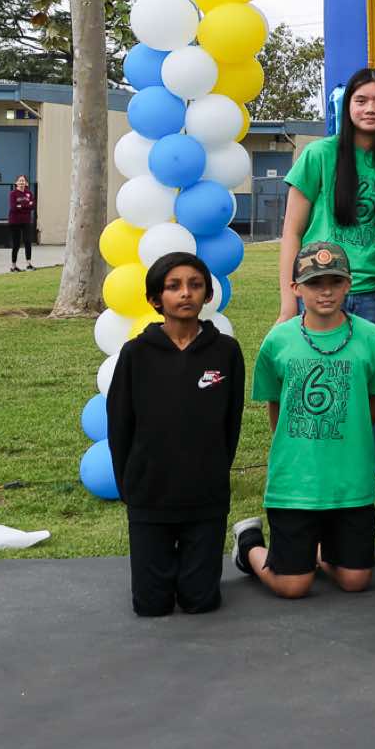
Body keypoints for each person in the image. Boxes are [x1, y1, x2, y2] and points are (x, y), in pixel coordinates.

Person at [234, 243, 375, 599]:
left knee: (356, 580)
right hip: (296, 482)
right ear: (296, 288)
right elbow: (276, 404)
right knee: (294, 586)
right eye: (314, 283)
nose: (326, 291)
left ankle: (316, 552)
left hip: (350, 480)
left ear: (349, 284)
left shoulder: (372, 338)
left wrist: (347, 429)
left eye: (335, 282)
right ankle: (248, 544)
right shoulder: (278, 341)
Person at [106, 253, 243, 618]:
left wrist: (214, 472)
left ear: (208, 295)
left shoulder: (226, 352)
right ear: (155, 298)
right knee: (151, 606)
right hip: (150, 498)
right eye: (174, 286)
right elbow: (119, 426)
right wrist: (131, 488)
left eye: (195, 285)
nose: (186, 293)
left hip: (205, 498)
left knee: (201, 602)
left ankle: (244, 545)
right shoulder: (135, 354)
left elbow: (231, 424)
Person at [279, 66, 375, 333]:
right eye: (361, 101)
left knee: (367, 360)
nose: (370, 109)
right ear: (348, 106)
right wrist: (288, 305)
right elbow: (292, 232)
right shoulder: (319, 155)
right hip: (319, 287)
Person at [6, 174, 35, 271]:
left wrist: (21, 206)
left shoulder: (29, 193)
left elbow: (32, 206)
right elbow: (13, 207)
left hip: (26, 221)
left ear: (26, 183)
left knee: (28, 241)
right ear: (16, 182)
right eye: (20, 181)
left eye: (23, 181)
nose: (22, 182)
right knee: (16, 244)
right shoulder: (13, 194)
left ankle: (29, 264)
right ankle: (13, 266)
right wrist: (26, 205)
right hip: (15, 221)